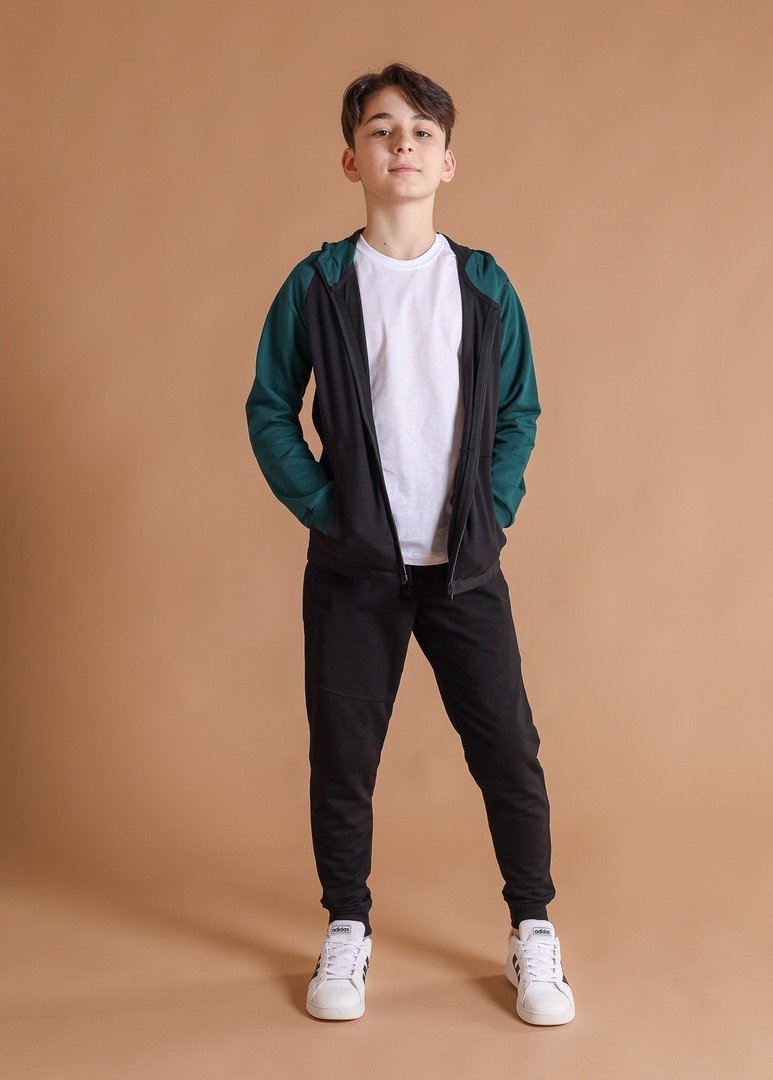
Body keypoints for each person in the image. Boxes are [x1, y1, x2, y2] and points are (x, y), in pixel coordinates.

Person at [245, 61, 575, 1026]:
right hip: (354, 571)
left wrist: (493, 512)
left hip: (464, 568)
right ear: (352, 159)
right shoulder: (317, 285)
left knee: (509, 751)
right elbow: (269, 408)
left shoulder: (482, 285)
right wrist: (327, 511)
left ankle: (533, 929)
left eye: (423, 132)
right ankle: (346, 927)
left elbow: (519, 411)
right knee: (344, 758)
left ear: (448, 161)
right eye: (383, 130)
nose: (404, 145)